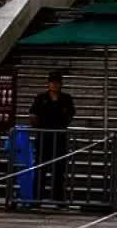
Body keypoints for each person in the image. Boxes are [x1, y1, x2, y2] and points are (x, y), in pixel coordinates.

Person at [29, 71, 75, 205]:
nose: (54, 85)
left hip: (59, 136)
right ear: (48, 84)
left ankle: (57, 199)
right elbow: (33, 113)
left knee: (59, 168)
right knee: (41, 167)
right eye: (52, 82)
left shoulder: (66, 98)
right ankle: (36, 198)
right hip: (44, 137)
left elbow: (70, 114)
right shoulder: (41, 97)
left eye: (57, 82)